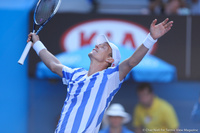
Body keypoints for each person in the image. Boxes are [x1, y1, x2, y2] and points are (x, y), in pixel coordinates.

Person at [28, 18, 173, 133]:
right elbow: (54, 65)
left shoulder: (110, 78)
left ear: (110, 60)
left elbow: (131, 63)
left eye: (103, 47)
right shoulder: (76, 74)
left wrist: (151, 38)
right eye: (99, 45)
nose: (97, 46)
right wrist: (37, 44)